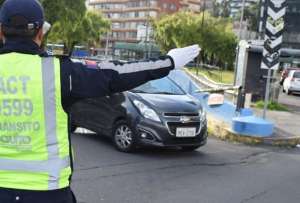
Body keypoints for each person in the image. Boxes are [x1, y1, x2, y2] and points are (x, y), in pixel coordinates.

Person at [0, 0, 200, 202]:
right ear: (40, 33)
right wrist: (169, 62)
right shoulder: (60, 72)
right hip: (48, 192)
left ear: (1, 31)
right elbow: (115, 75)